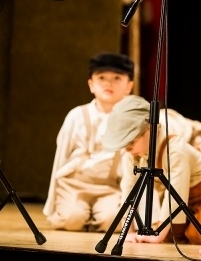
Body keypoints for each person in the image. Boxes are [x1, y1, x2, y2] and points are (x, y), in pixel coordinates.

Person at [102, 95, 201, 244]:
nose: (128, 148)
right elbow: (129, 189)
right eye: (124, 144)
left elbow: (175, 193)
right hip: (184, 196)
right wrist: (129, 230)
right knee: (172, 238)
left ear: (150, 129)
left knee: (198, 238)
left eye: (131, 141)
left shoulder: (174, 149)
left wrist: (158, 234)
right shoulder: (132, 154)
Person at [43, 52, 135, 232]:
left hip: (109, 186)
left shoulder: (131, 119)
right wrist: (51, 204)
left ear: (129, 86)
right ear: (91, 84)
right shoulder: (76, 115)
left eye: (117, 78)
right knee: (72, 219)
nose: (109, 83)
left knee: (113, 222)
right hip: (75, 184)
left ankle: (95, 216)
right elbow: (60, 157)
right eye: (101, 78)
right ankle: (81, 214)